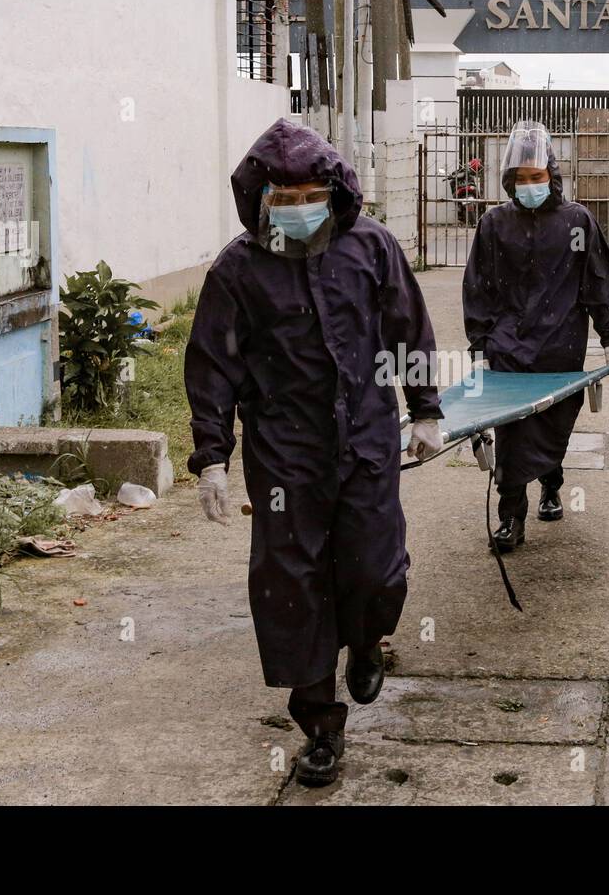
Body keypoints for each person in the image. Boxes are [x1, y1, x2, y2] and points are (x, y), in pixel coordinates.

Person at [184, 118, 444, 787]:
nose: (297, 208)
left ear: (332, 191)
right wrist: (212, 457)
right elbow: (213, 363)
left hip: (364, 439)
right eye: (283, 196)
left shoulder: (372, 248)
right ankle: (321, 726)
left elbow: (407, 325)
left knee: (376, 569)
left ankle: (366, 641)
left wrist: (426, 409)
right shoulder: (239, 270)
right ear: (262, 198)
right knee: (292, 586)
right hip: (284, 455)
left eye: (308, 194)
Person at [462, 120, 609, 552]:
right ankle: (510, 517)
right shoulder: (494, 224)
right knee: (513, 432)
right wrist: (481, 345)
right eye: (521, 179)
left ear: (552, 177)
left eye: (537, 177)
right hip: (509, 347)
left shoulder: (577, 221)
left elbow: (599, 280)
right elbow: (478, 287)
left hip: (560, 345)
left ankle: (552, 484)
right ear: (509, 181)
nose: (529, 185)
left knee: (552, 424)